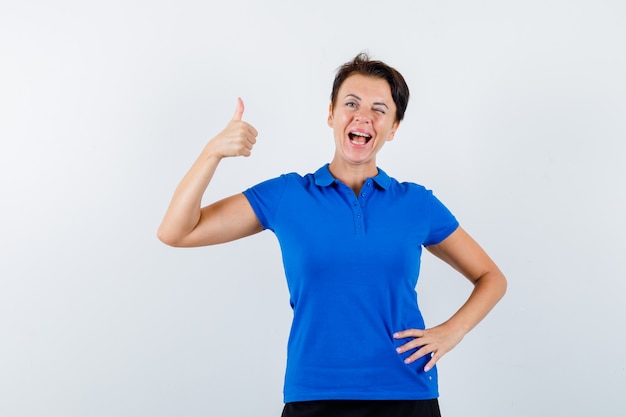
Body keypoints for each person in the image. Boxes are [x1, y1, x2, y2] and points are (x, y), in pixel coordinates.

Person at [157, 53, 507, 417]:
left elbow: (491, 277)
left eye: (379, 109)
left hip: (407, 394)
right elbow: (176, 231)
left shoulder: (417, 203)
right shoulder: (287, 197)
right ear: (331, 114)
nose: (363, 116)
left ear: (394, 127)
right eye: (351, 103)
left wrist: (453, 331)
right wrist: (211, 152)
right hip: (314, 396)